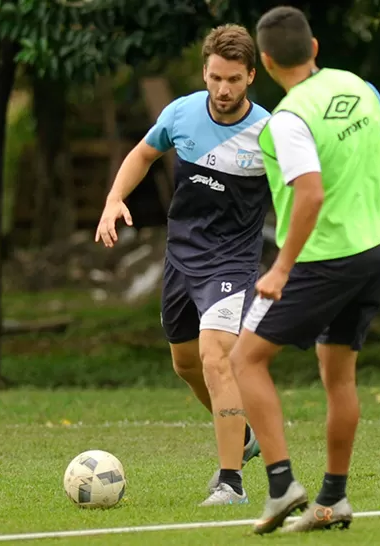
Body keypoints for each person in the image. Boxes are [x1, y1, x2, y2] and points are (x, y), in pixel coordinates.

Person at [228, 6, 380, 534]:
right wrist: (373, 202)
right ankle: (333, 500)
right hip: (375, 249)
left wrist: (281, 268)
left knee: (245, 360)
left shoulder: (288, 118)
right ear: (314, 48)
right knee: (339, 375)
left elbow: (309, 193)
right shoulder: (357, 85)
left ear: (264, 62)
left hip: (322, 257)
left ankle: (281, 482)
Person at [94, 24, 271, 507]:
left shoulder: (269, 133)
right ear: (205, 72)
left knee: (217, 357)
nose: (223, 89)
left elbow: (310, 187)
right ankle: (245, 435)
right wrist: (114, 199)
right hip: (182, 258)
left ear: (251, 76)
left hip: (232, 261)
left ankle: (230, 482)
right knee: (186, 364)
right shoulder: (181, 112)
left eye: (234, 79)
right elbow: (143, 154)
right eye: (215, 77)